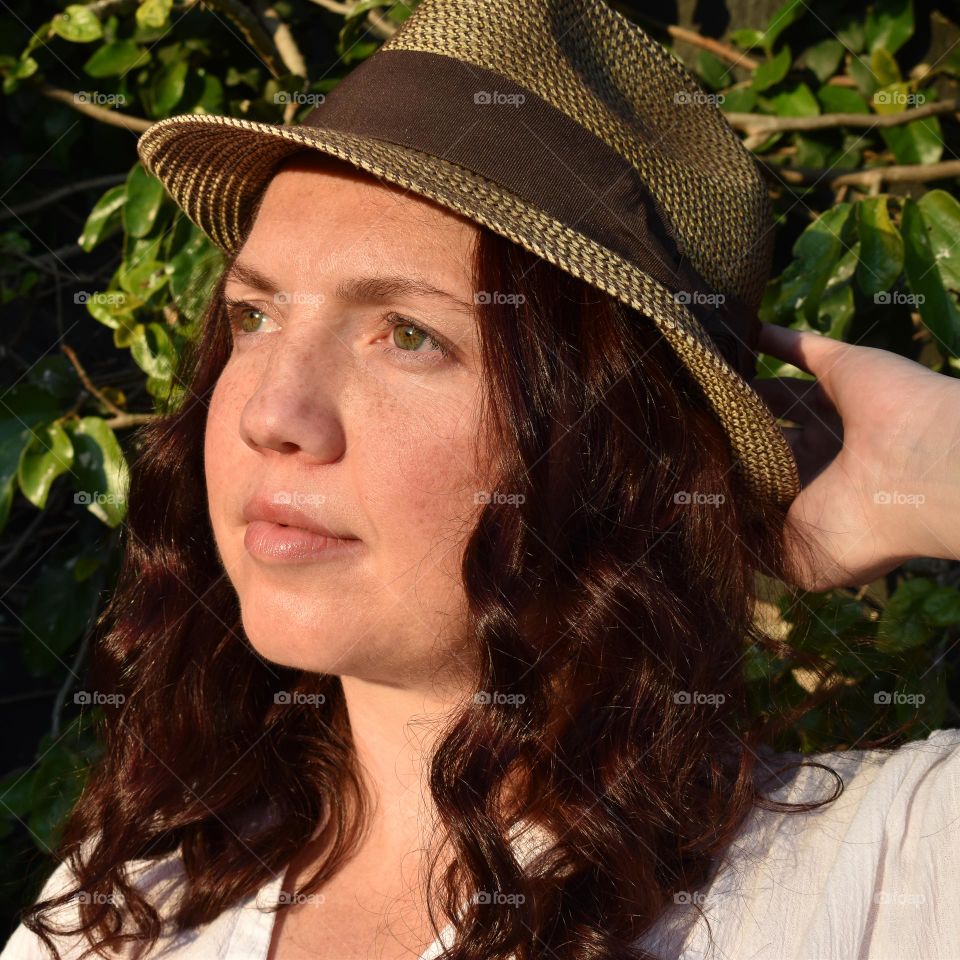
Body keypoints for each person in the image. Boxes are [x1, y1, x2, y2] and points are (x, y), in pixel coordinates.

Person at [5, 1, 960, 959]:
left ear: (612, 444)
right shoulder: (128, 909)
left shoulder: (881, 874)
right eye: (254, 316)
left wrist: (935, 470)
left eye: (408, 336)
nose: (269, 413)